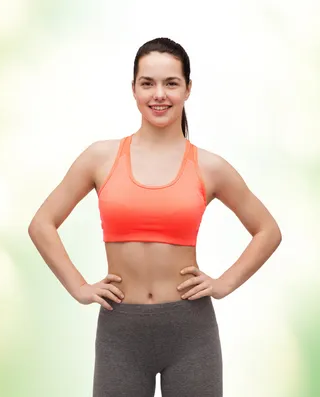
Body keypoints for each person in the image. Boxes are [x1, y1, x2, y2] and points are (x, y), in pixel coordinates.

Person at [27, 37, 282, 397]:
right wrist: (79, 287)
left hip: (190, 331)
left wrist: (223, 284)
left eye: (171, 83)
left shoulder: (210, 166)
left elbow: (267, 230)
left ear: (188, 89)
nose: (158, 94)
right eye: (147, 83)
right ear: (133, 88)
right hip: (121, 333)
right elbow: (42, 224)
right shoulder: (100, 158)